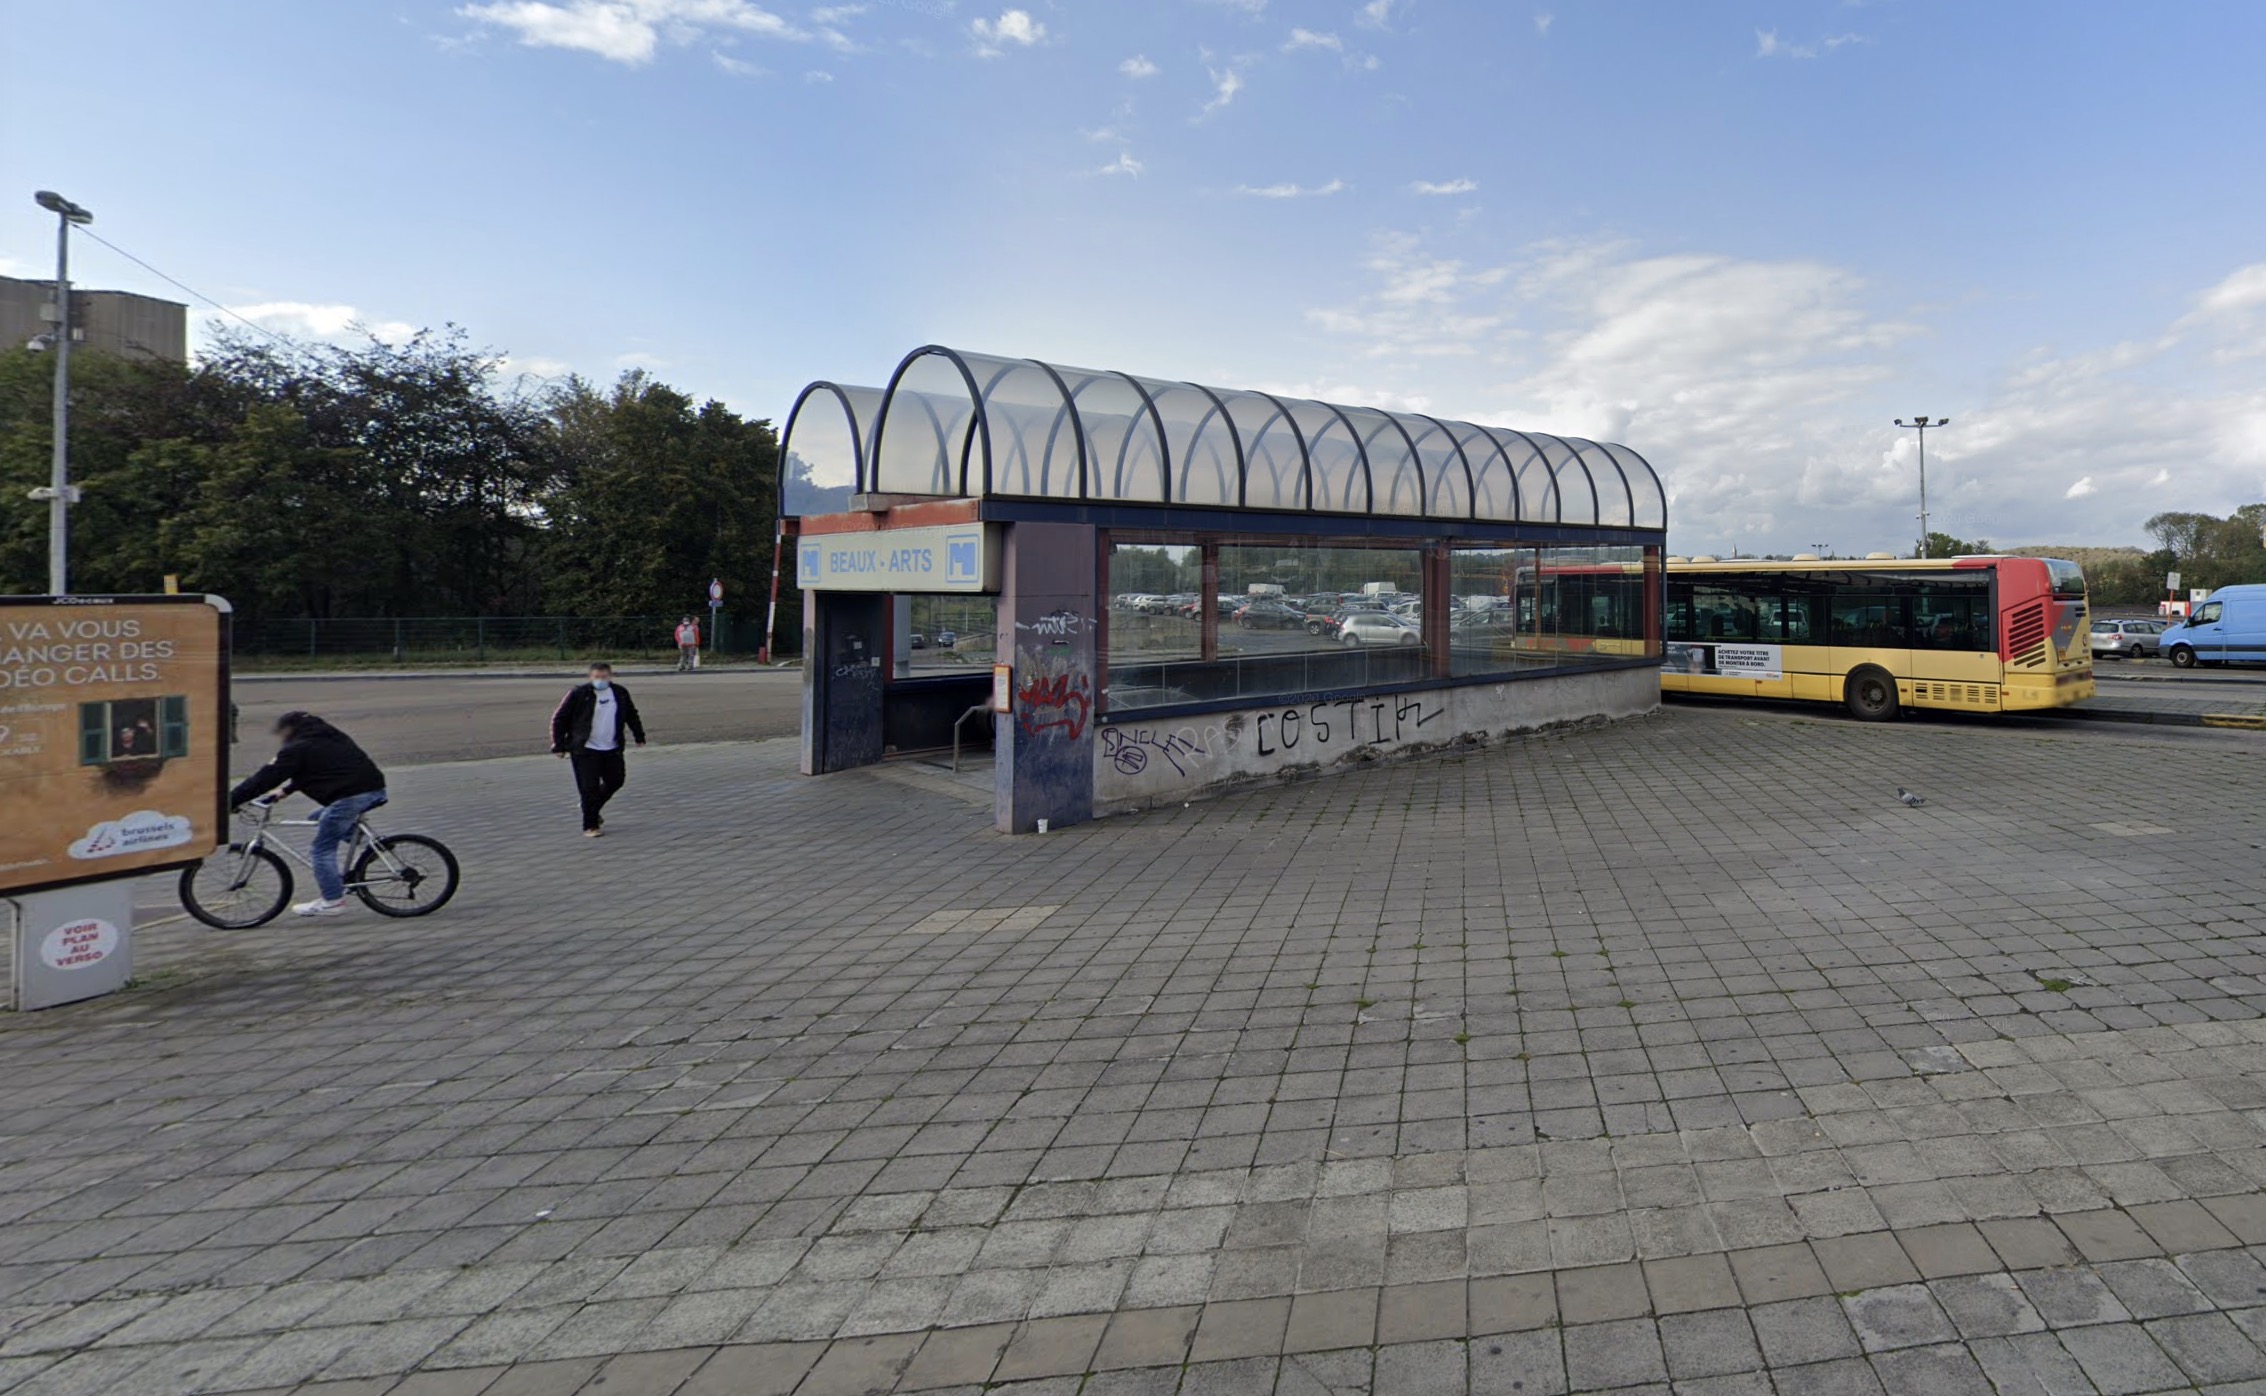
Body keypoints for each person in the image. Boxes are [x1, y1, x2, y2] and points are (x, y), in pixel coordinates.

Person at [229, 712, 388, 917]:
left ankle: (332, 901)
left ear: (291, 729)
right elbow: (318, 769)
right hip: (373, 790)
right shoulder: (330, 737)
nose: (281, 736)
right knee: (317, 816)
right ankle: (371, 847)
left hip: (351, 797)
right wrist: (286, 790)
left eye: (283, 731)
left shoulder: (296, 749)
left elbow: (265, 778)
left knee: (321, 851)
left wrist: (230, 801)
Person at [550, 662, 647, 836]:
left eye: (603, 677)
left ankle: (590, 806)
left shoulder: (619, 693)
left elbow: (631, 714)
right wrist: (558, 744)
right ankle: (590, 826)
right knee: (589, 788)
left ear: (610, 677)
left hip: (612, 747)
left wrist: (639, 735)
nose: (600, 680)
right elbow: (559, 718)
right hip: (585, 748)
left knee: (616, 781)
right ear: (590, 677)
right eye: (596, 677)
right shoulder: (579, 694)